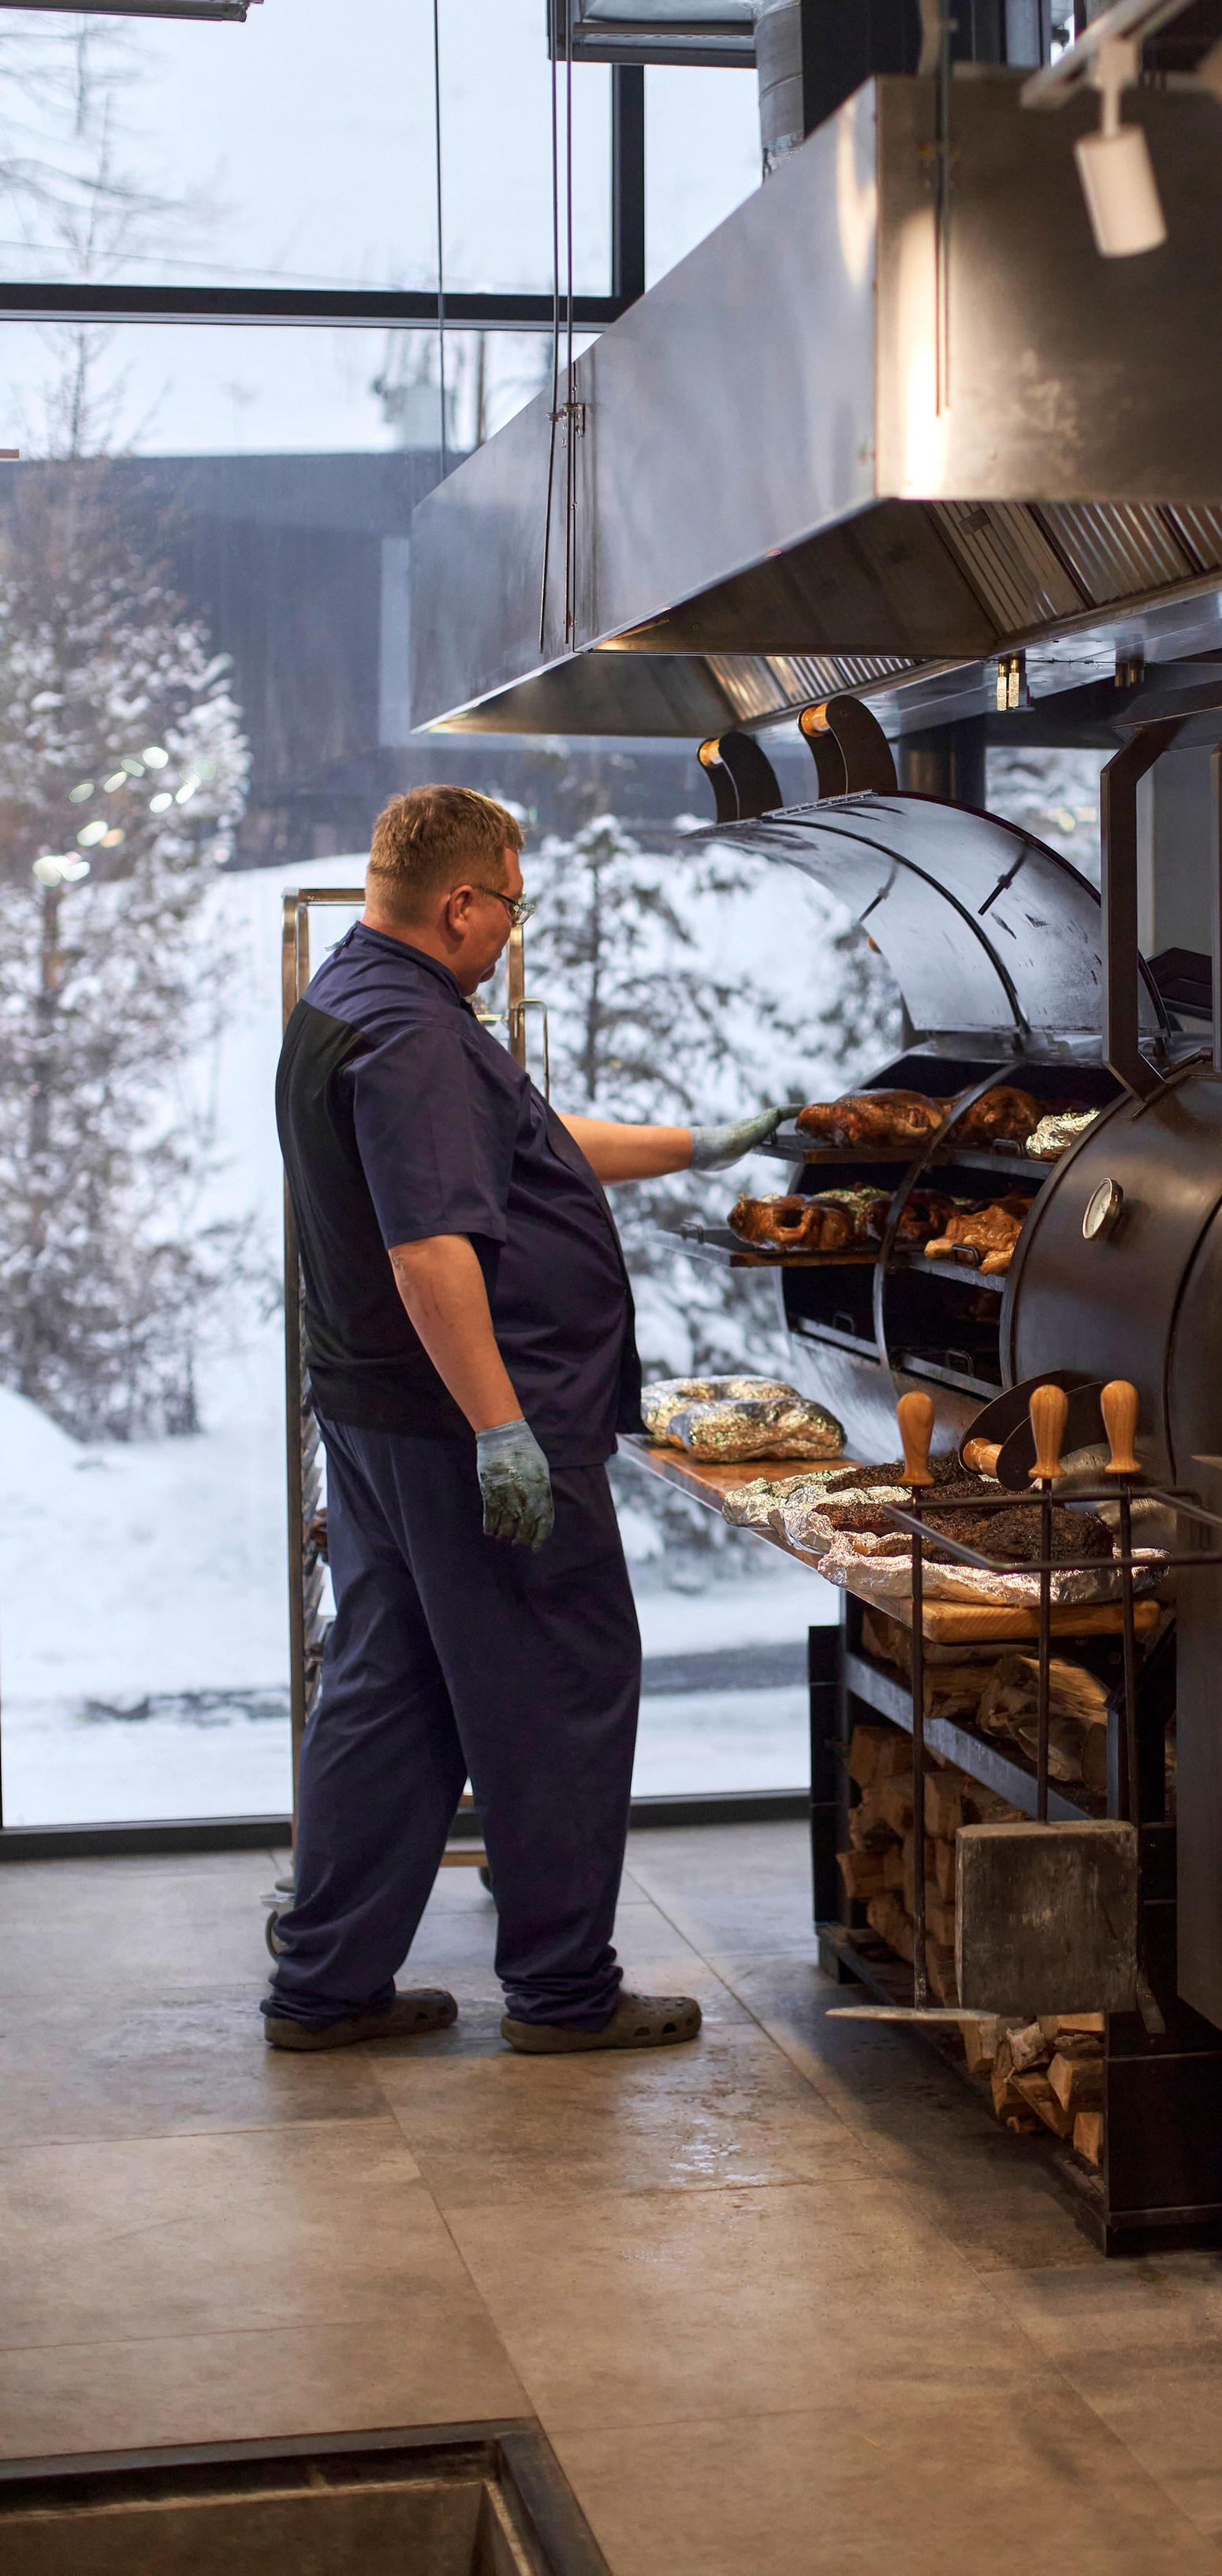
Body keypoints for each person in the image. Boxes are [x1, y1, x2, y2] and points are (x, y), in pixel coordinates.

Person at [264, 784, 779, 2055]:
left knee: (392, 1686)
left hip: (380, 1419)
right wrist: (502, 1430)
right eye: (510, 902)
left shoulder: (355, 995)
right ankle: (561, 1989)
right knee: (559, 1682)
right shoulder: (418, 1037)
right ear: (461, 902)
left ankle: (326, 1982)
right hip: (469, 1432)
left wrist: (698, 1144)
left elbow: (525, 1142)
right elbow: (430, 1251)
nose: (511, 927)